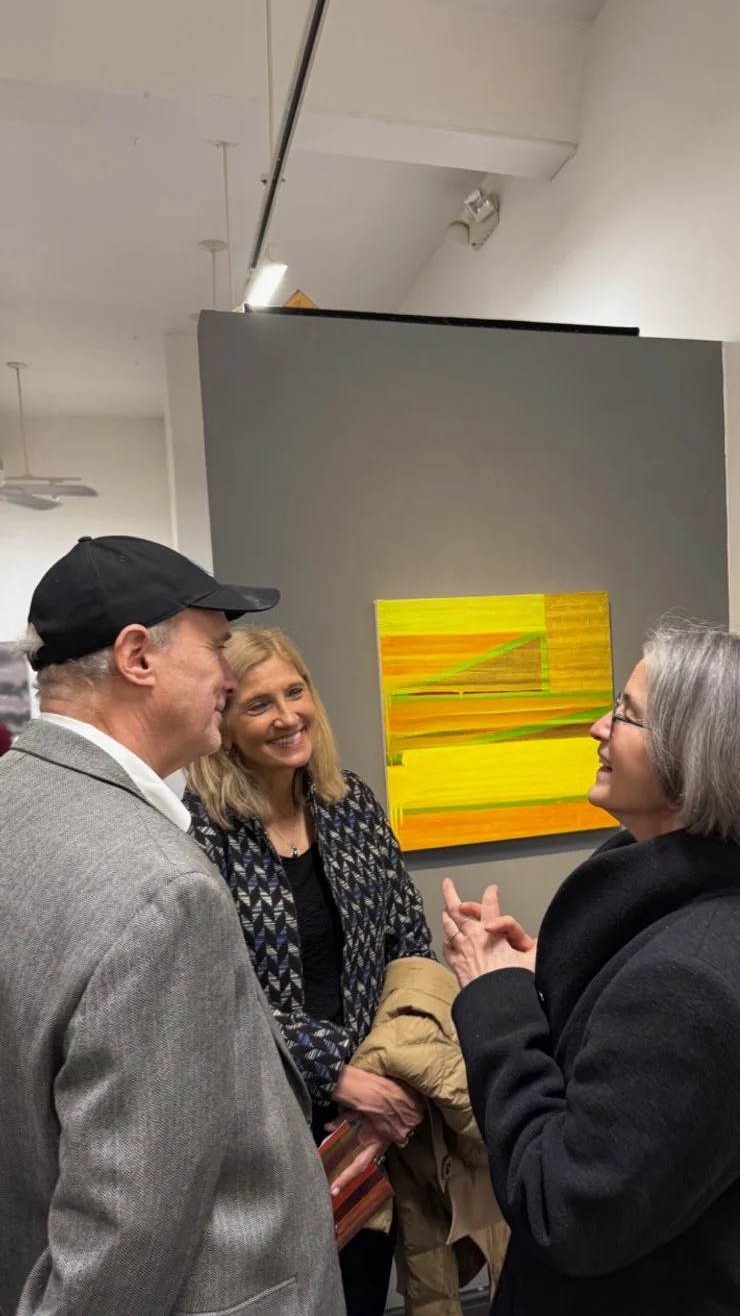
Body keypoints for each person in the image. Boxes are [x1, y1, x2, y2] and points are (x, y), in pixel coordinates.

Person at [441, 623, 740, 1316]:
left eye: (625, 714)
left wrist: (495, 998)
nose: (598, 727)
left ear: (696, 755)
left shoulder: (691, 984)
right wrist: (553, 977)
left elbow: (561, 1208)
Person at [0, 536, 344, 1316]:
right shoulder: (166, 891)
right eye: (216, 648)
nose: (230, 677)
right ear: (137, 657)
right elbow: (123, 1236)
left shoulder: (15, 802)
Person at [184, 625, 434, 1316]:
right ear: (225, 723)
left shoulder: (350, 804)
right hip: (269, 1124)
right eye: (259, 704)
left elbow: (408, 940)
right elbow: (214, 993)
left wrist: (386, 1072)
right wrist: (334, 1073)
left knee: (362, 1289)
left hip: (372, 1119)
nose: (287, 715)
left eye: (295, 692)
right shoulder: (203, 833)